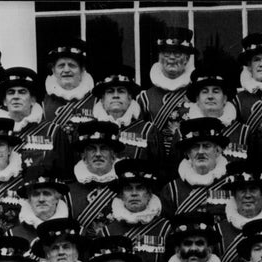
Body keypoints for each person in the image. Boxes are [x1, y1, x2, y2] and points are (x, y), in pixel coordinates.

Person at [0, 67, 71, 178]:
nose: (15, 97)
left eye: (22, 92)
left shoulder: (53, 132)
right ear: (5, 101)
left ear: (33, 99)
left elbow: (64, 176)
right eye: (11, 92)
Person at [99, 159, 168, 262]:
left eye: (140, 188)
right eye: (128, 189)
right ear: (121, 195)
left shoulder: (165, 228)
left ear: (149, 194)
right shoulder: (107, 232)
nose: (134, 194)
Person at [137, 28, 196, 156]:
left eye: (178, 54)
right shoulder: (145, 97)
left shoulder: (197, 94)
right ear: (159, 57)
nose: (172, 58)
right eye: (167, 53)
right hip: (155, 160)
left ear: (186, 59)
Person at [160, 118, 232, 219]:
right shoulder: (171, 190)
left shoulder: (231, 185)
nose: (201, 152)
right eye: (195, 147)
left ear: (218, 151)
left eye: (206, 146)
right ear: (188, 153)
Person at [217, 160, 262, 262]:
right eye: (242, 190)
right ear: (234, 195)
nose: (248, 195)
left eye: (253, 189)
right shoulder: (219, 230)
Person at [90, 67, 161, 166]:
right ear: (102, 99)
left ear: (130, 97)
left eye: (121, 91)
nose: (116, 95)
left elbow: (158, 169)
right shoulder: (89, 130)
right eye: (110, 91)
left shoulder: (148, 131)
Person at [67, 121, 124, 236]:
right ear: (83, 155)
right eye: (92, 149)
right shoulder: (68, 191)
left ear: (113, 154)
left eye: (104, 148)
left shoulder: (126, 187)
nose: (98, 154)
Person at [42, 38, 95, 133]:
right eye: (61, 65)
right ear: (53, 70)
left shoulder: (96, 101)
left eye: (72, 65)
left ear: (82, 69)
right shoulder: (42, 102)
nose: (66, 70)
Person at [10, 166, 71, 242]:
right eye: (36, 194)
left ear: (57, 198)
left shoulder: (71, 231)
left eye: (47, 194)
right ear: (29, 200)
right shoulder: (13, 235)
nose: (41, 199)